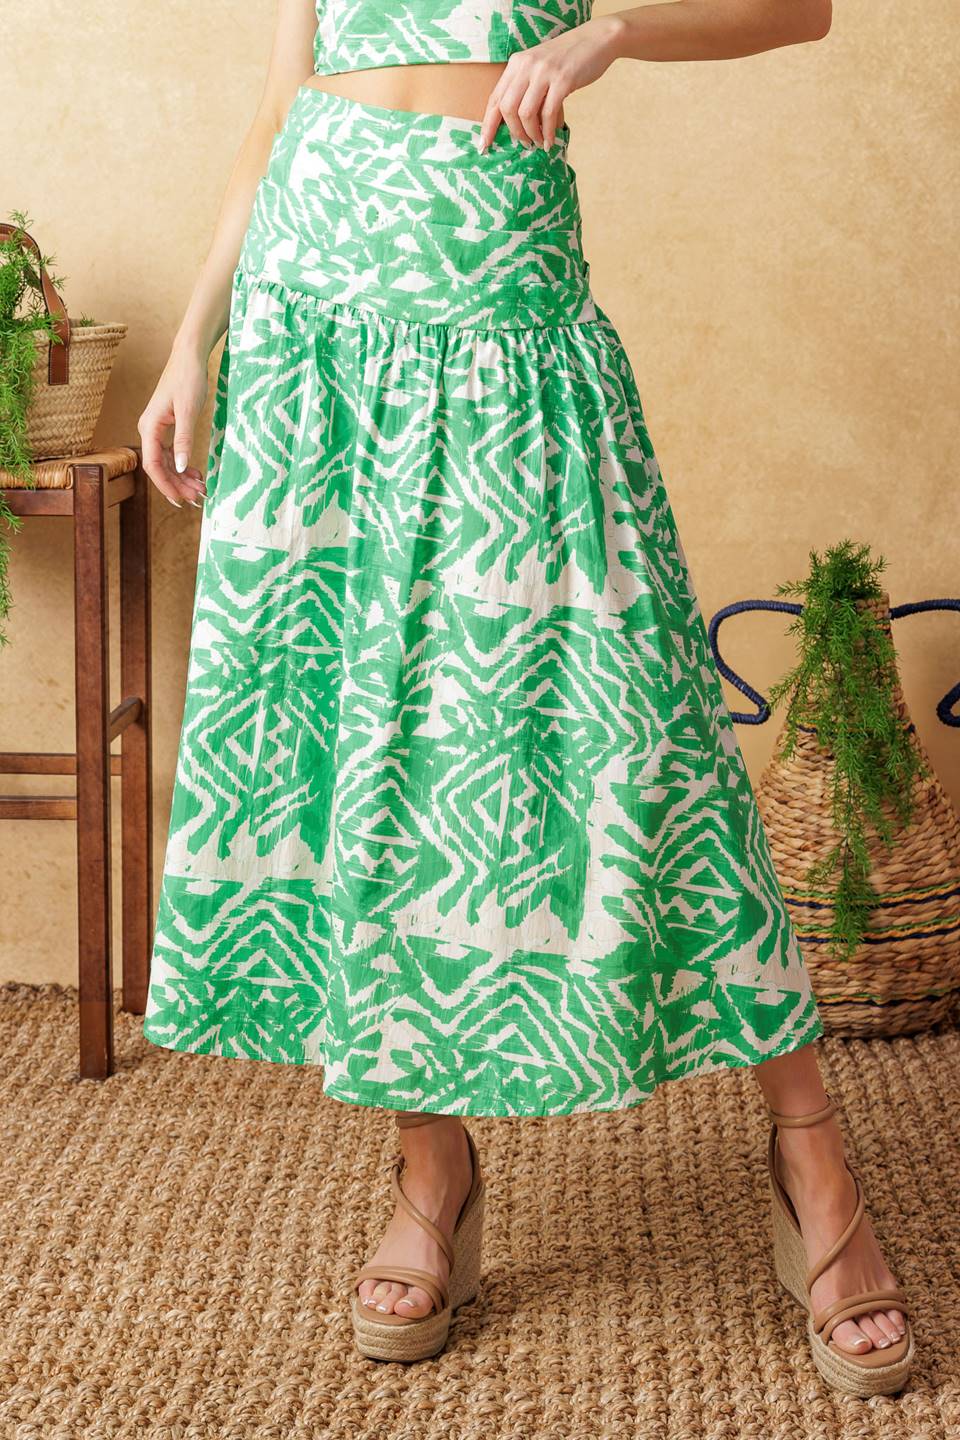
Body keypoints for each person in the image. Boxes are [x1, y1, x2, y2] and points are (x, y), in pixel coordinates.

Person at [138, 0, 913, 1392]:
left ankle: (811, 1158)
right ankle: (430, 1169)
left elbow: (796, 10)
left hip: (504, 313)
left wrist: (608, 32)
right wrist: (195, 336)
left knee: (646, 729)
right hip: (312, 326)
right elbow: (283, 103)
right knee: (363, 739)